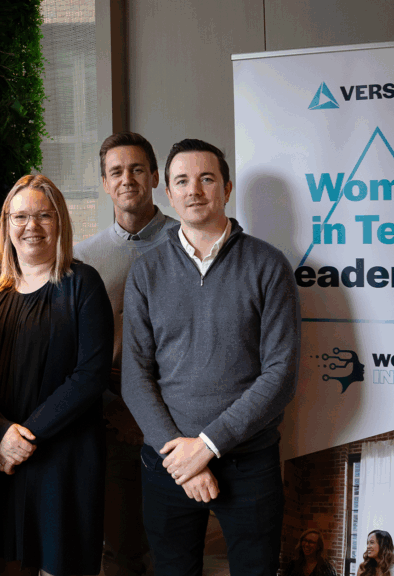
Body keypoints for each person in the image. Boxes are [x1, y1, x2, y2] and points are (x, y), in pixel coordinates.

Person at [122, 138, 301, 576]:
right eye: (182, 181)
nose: (194, 190)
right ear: (168, 193)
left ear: (226, 187)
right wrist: (180, 457)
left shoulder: (269, 265)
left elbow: (281, 375)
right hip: (168, 461)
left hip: (249, 461)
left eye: (206, 179)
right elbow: (135, 376)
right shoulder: (146, 271)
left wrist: (206, 446)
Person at [0, 175, 114, 576]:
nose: (32, 226)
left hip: (63, 457)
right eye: (21, 217)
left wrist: (22, 438)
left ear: (60, 222)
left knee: (58, 563)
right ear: (6, 223)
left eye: (44, 216)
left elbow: (91, 374)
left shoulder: (83, 284)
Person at [74, 132, 176, 576]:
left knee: (177, 547)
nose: (127, 179)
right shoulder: (82, 257)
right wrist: (115, 410)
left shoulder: (188, 241)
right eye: (116, 171)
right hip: (112, 418)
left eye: (137, 169)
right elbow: (74, 350)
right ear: (104, 183)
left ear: (154, 176)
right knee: (121, 548)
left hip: (179, 417)